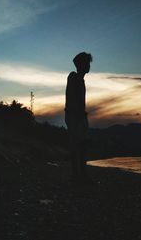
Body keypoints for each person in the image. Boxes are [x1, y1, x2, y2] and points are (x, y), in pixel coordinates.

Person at [65, 52, 92, 183]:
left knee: (83, 145)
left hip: (80, 116)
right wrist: (75, 114)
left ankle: (82, 175)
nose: (88, 66)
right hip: (74, 115)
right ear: (79, 64)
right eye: (86, 63)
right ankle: (76, 176)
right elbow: (71, 98)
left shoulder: (81, 80)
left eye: (89, 63)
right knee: (76, 145)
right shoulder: (73, 77)